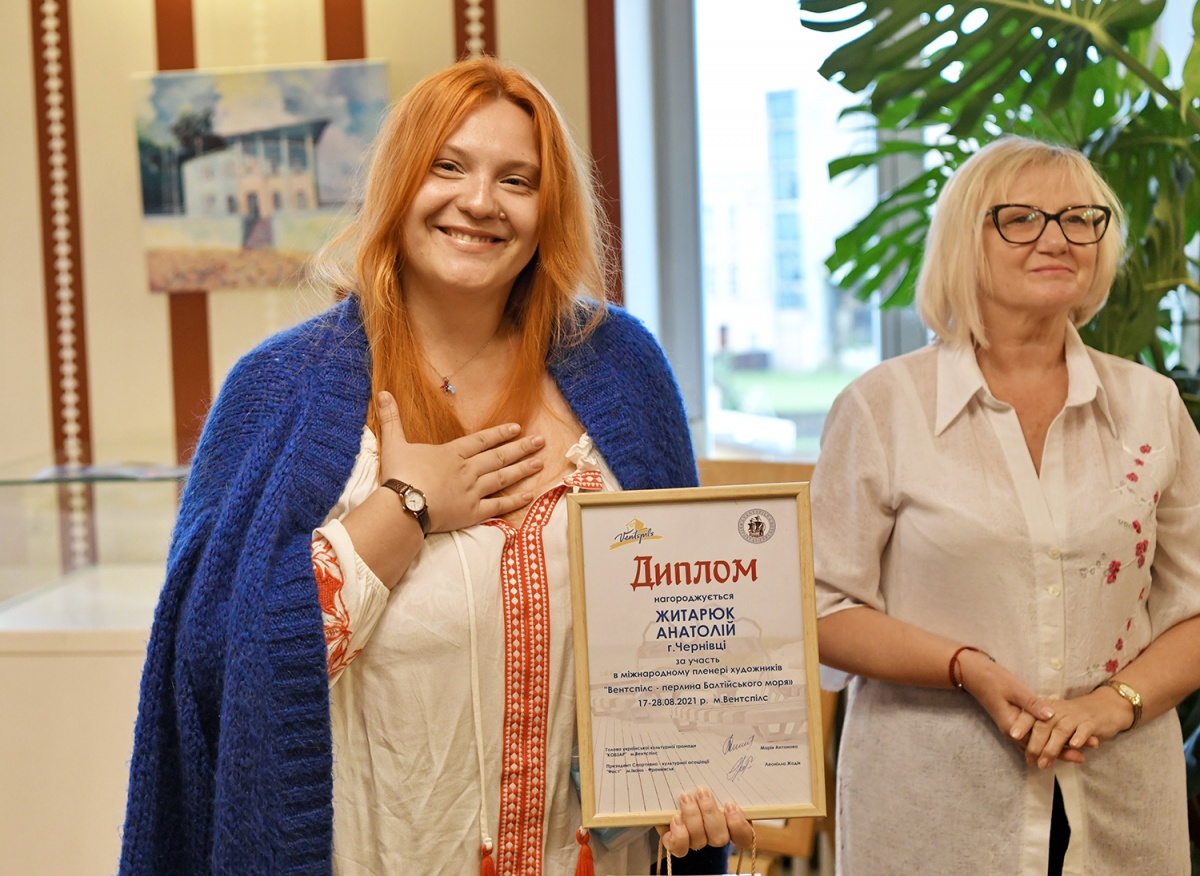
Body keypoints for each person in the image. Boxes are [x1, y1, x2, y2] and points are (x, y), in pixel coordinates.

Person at [119, 57, 750, 875]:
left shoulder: (622, 366)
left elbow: (686, 646)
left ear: (548, 208)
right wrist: (405, 509)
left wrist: (695, 788)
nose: (480, 201)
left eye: (516, 180)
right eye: (448, 166)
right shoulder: (280, 389)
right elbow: (211, 661)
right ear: (399, 183)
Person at [811, 136, 1200, 874]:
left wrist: (1113, 701)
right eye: (1021, 219)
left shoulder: (1151, 406)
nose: (1058, 239)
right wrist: (964, 666)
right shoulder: (882, 407)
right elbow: (821, 608)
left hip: (1118, 799)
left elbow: (1196, 609)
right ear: (965, 242)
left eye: (1080, 219)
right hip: (934, 805)